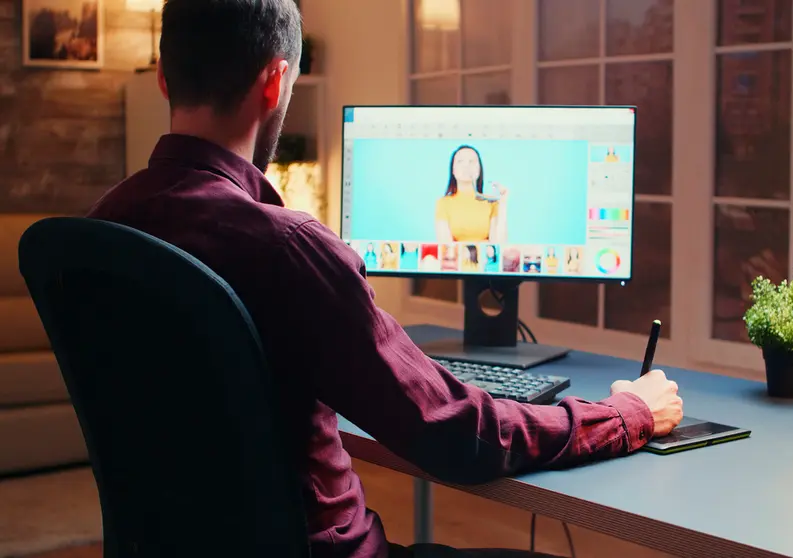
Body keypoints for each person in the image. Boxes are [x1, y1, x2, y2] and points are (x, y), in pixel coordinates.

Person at [86, 1, 684, 557]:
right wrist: (624, 413)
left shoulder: (102, 228)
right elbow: (457, 435)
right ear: (275, 81)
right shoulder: (290, 250)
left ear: (164, 77)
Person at [435, 146, 508, 243]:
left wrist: (503, 203)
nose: (466, 166)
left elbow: (498, 244)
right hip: (457, 258)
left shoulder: (491, 202)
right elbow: (445, 246)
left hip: (485, 258)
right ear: (453, 170)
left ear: (479, 169)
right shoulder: (444, 203)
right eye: (460, 161)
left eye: (471, 162)